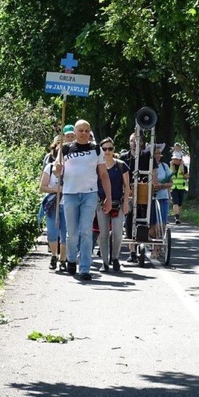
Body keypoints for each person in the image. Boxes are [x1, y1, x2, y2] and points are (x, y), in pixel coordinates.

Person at [56, 120, 112, 281]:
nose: (84, 133)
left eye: (87, 131)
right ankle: (71, 259)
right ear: (74, 132)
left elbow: (103, 175)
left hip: (90, 194)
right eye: (81, 130)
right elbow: (56, 169)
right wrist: (56, 169)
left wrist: (108, 197)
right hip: (70, 194)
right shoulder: (66, 148)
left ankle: (85, 268)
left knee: (86, 231)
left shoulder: (96, 149)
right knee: (72, 233)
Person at [95, 137, 130, 272]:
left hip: (118, 204)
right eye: (104, 149)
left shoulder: (121, 165)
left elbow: (127, 186)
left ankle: (115, 258)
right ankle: (104, 262)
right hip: (101, 204)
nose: (107, 152)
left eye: (110, 149)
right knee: (103, 234)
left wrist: (126, 202)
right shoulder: (97, 167)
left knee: (117, 233)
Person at [119, 131, 152, 263]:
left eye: (137, 140)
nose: (134, 143)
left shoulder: (147, 156)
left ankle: (143, 242)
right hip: (129, 192)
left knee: (144, 218)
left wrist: (150, 184)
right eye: (132, 140)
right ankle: (132, 251)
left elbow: (153, 173)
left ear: (142, 142)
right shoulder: (124, 157)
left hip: (144, 192)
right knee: (129, 220)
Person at [39, 137, 67, 271]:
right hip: (52, 206)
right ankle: (54, 256)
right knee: (52, 233)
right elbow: (42, 187)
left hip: (67, 205)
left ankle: (63, 259)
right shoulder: (49, 168)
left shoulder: (71, 169)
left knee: (66, 233)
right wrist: (56, 190)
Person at [149, 144, 172, 244]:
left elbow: (171, 182)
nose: (158, 155)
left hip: (163, 198)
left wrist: (162, 185)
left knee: (161, 224)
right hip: (150, 199)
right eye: (156, 153)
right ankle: (153, 244)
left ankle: (158, 247)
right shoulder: (147, 166)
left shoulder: (164, 166)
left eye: (159, 153)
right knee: (152, 224)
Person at [169, 145, 189, 224]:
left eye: (177, 159)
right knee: (175, 202)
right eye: (174, 159)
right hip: (173, 187)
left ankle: (178, 215)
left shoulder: (184, 167)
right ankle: (176, 216)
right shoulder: (170, 166)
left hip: (181, 187)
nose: (175, 160)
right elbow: (168, 176)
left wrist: (183, 174)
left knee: (180, 203)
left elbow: (187, 176)